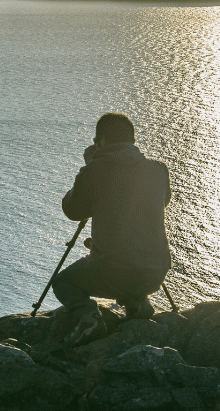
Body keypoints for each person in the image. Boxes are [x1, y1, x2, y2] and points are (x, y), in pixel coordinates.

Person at [53, 112, 172, 347]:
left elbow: (73, 210)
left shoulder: (94, 171)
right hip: (155, 273)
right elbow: (163, 201)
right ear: (132, 141)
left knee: (63, 282)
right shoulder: (159, 170)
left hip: (113, 272)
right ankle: (137, 303)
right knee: (127, 258)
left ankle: (88, 318)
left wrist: (90, 167)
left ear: (102, 141)